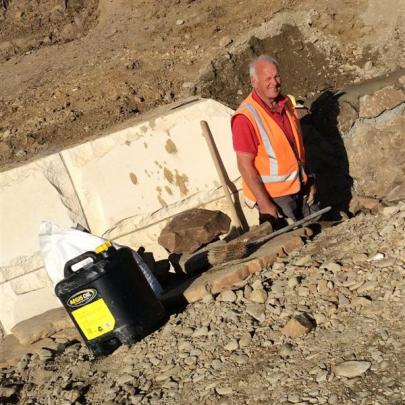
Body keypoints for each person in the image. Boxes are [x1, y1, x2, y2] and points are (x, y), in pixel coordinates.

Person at [231, 55, 317, 229]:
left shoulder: (286, 104)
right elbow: (244, 165)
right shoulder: (245, 118)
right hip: (276, 198)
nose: (274, 82)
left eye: (277, 76)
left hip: (300, 188)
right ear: (254, 81)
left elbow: (296, 148)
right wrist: (264, 204)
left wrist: (309, 179)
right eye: (267, 78)